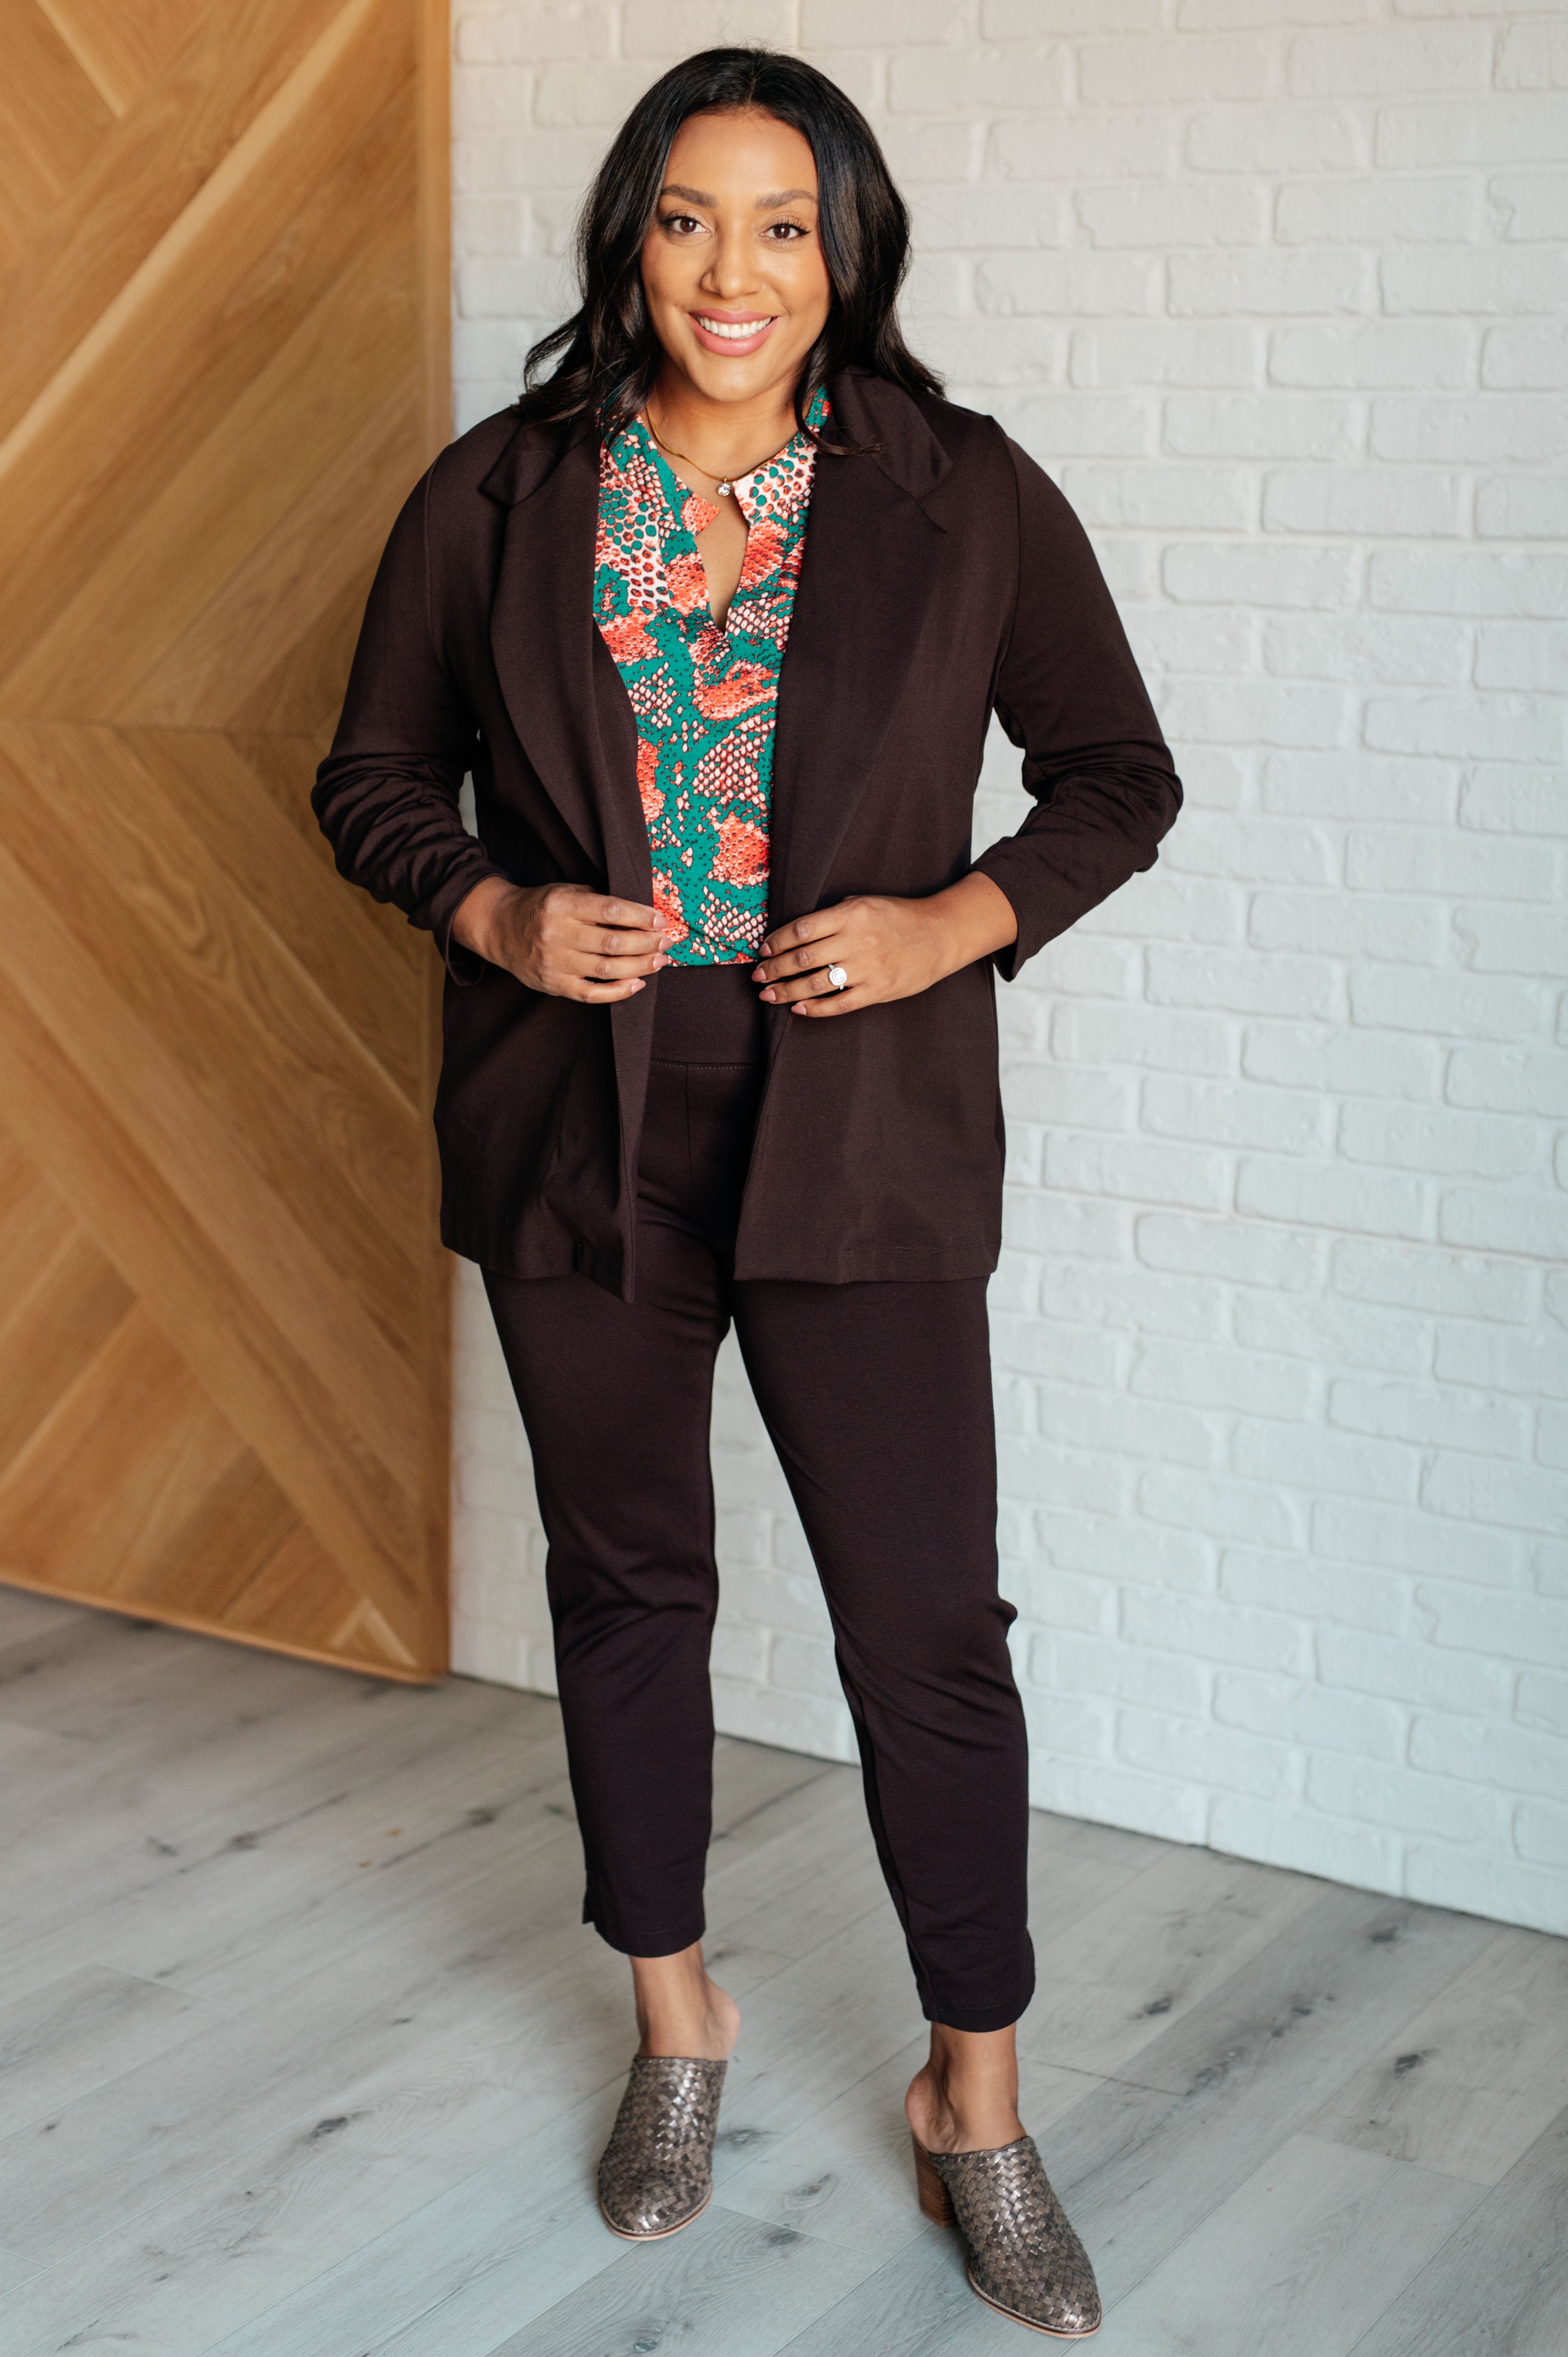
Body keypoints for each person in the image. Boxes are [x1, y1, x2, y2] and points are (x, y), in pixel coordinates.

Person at [314, 46, 1179, 2339]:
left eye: (783, 224)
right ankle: (674, 2021)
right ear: (631, 237)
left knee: (928, 1629)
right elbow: (372, 773)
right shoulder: (503, 491)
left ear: (846, 250)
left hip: (860, 1129)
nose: (733, 270)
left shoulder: (960, 493)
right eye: (688, 216)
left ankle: (976, 2100)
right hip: (575, 1126)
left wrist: (947, 926)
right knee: (629, 1589)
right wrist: (496, 910)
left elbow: (1117, 775)